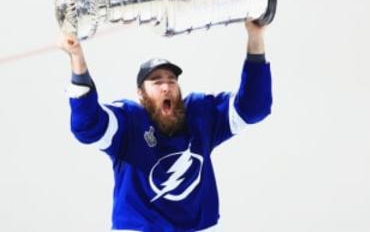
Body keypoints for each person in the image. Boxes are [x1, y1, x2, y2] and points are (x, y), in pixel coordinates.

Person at [58, 21, 272, 232]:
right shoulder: (129, 122)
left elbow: (254, 107)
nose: (166, 87)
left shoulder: (199, 116)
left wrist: (255, 37)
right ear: (141, 94)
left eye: (171, 80)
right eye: (156, 81)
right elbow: (87, 125)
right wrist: (78, 60)